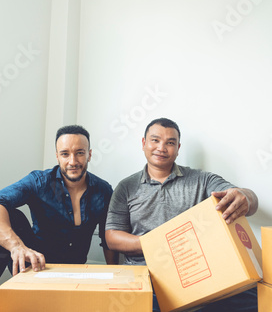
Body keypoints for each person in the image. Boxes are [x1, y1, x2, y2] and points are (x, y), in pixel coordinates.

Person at [0, 125, 117, 312]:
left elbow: (108, 238)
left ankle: (1, 291)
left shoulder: (103, 190)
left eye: (79, 153)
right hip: (37, 264)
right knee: (10, 216)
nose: (73, 161)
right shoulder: (39, 182)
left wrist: (115, 275)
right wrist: (16, 247)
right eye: (65, 154)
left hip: (74, 271)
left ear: (89, 154)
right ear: (57, 156)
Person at [105, 117, 259, 312]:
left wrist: (246, 197)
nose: (162, 147)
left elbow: (247, 199)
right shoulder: (126, 187)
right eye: (155, 140)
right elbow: (112, 237)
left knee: (256, 297)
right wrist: (160, 243)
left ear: (178, 149)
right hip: (147, 275)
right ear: (144, 143)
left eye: (170, 143)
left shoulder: (202, 179)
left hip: (196, 271)